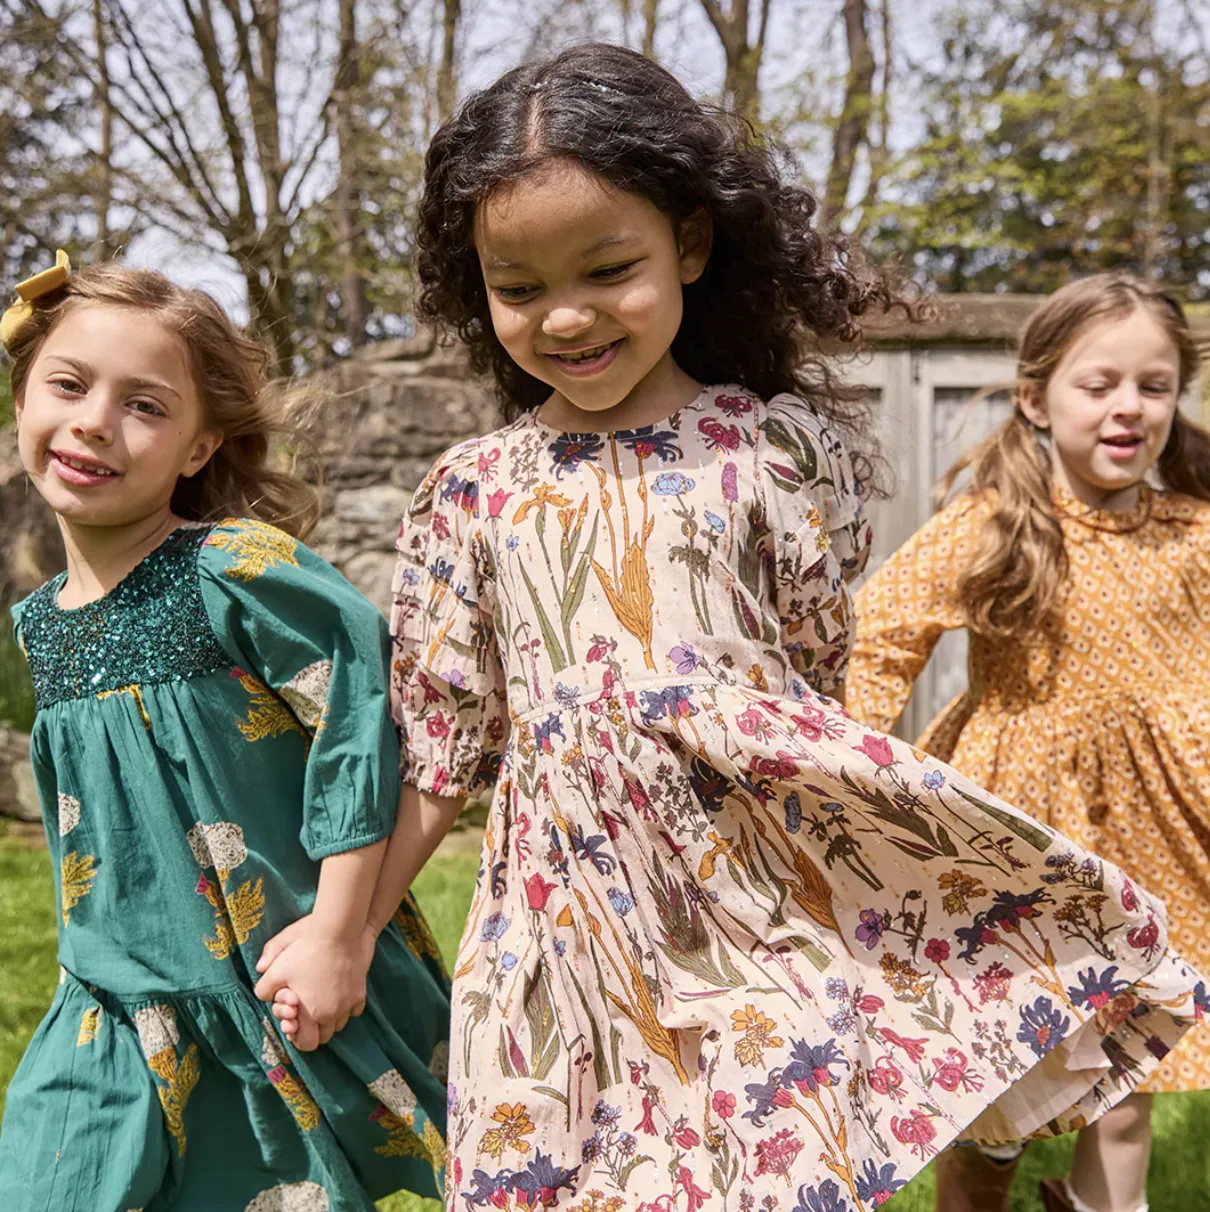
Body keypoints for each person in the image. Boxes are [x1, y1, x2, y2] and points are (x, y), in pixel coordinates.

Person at [270, 45, 1201, 1211]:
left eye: (608, 266)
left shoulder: (773, 453)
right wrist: (341, 933)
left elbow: (809, 682)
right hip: (561, 930)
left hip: (750, 910)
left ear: (691, 246)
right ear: (476, 286)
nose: (565, 314)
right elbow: (443, 745)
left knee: (766, 1172)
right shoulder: (472, 489)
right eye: (517, 286)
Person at [0, 256, 450, 1212]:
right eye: (69, 385)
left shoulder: (233, 568)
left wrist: (338, 932)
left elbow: (359, 723)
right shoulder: (38, 622)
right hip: (107, 1003)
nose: (93, 421)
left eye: (146, 406)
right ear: (22, 396)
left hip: (264, 984)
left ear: (200, 448)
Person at [847, 273, 1210, 1212]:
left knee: (1132, 1075)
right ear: (1036, 397)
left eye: (1155, 385)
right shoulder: (997, 524)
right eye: (1100, 384)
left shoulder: (1195, 535)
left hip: (1162, 835)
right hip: (1025, 839)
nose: (1129, 407)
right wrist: (840, 771)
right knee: (1002, 1087)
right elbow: (879, 639)